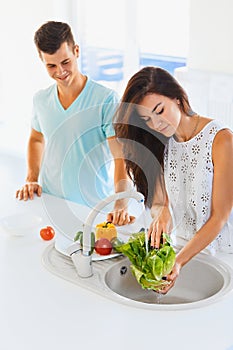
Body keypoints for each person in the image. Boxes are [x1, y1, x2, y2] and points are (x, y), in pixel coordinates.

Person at [114, 66, 233, 292]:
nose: (157, 123)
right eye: (147, 119)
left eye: (160, 110)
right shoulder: (165, 142)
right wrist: (163, 216)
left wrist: (179, 261)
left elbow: (220, 217)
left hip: (225, 258)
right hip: (187, 253)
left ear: (177, 98)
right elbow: (167, 200)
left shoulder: (221, 139)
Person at [15, 21, 134, 226]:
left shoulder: (106, 99)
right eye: (51, 66)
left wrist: (121, 202)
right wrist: (31, 178)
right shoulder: (41, 100)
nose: (60, 71)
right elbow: (36, 138)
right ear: (42, 61)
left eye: (65, 62)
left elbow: (120, 156)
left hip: (94, 208)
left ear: (76, 51)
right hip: (51, 204)